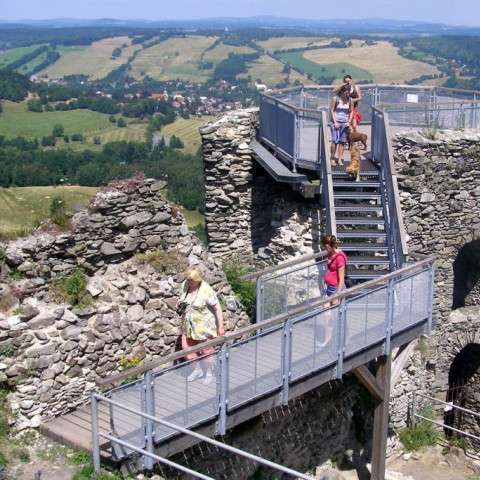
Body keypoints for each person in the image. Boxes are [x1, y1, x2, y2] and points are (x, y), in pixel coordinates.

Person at [177, 269, 225, 384]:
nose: (189, 282)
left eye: (191, 281)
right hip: (188, 325)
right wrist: (179, 304)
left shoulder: (206, 290)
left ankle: (209, 373)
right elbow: (182, 298)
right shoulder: (185, 285)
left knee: (206, 350)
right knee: (186, 348)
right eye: (187, 280)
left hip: (204, 326)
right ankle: (197, 370)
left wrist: (220, 326)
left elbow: (217, 307)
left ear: (197, 280)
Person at [330, 88, 353, 166]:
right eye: (346, 91)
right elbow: (332, 110)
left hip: (345, 122)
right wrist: (335, 122)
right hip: (336, 122)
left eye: (348, 92)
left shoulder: (350, 100)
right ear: (342, 91)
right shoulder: (335, 99)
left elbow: (351, 111)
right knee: (335, 141)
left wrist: (349, 122)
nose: (347, 93)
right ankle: (332, 158)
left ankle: (340, 159)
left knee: (342, 142)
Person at [321, 234, 347, 301]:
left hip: (335, 288)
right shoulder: (330, 254)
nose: (324, 248)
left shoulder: (340, 258)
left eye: (325, 246)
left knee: (333, 310)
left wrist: (337, 295)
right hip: (328, 287)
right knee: (326, 309)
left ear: (329, 245)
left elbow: (341, 279)